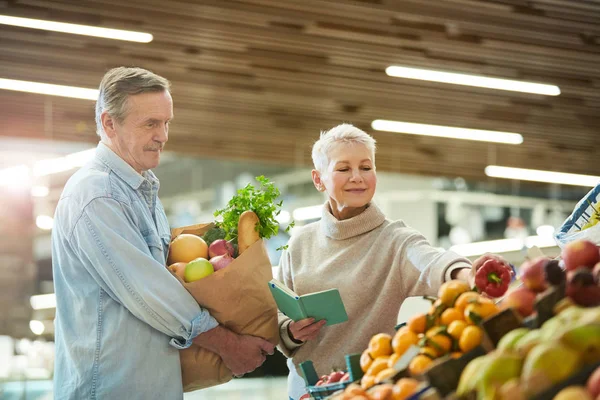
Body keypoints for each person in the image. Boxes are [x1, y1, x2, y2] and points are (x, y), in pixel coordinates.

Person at [51, 67, 274, 400]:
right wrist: (229, 345)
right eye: (150, 124)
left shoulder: (142, 191)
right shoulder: (97, 196)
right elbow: (148, 292)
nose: (163, 135)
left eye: (166, 122)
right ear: (110, 123)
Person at [276, 123, 508, 400]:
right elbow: (277, 311)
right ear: (318, 179)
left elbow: (432, 262)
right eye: (343, 169)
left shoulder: (395, 240)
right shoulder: (299, 242)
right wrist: (289, 331)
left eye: (366, 167)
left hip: (367, 389)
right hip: (302, 390)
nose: (357, 177)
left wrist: (470, 275)